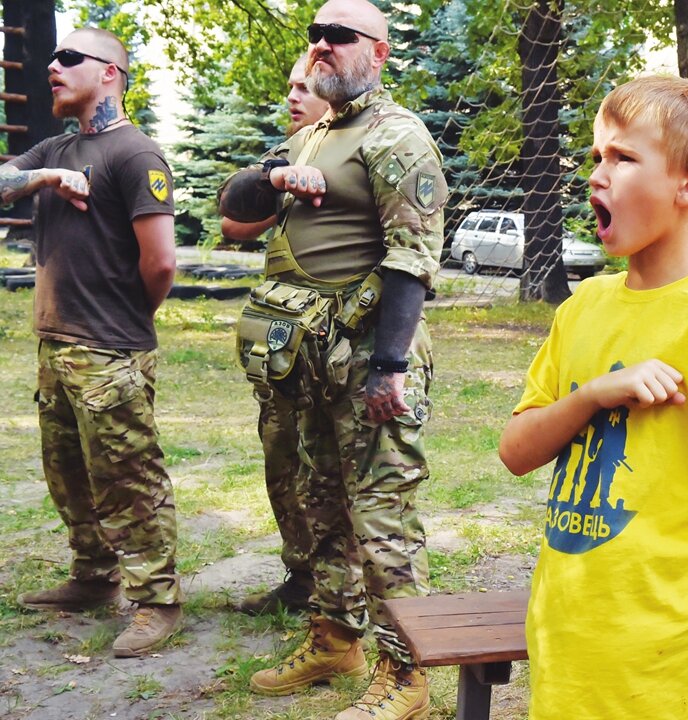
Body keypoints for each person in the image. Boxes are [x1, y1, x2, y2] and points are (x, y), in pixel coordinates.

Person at [498, 76, 688, 720]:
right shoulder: (584, 307)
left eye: (624, 158)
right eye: (597, 156)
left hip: (662, 650)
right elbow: (516, 451)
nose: (599, 175)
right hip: (566, 634)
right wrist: (593, 397)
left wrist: (670, 507)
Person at [218, 1, 448, 717]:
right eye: (314, 34)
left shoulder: (398, 135)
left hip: (369, 358)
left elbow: (412, 260)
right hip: (310, 358)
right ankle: (334, 637)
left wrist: (390, 370)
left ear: (377, 53)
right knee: (321, 508)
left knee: (381, 520)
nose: (321, 45)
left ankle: (406, 672)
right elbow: (233, 208)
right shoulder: (316, 133)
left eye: (338, 36)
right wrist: (275, 173)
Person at [2, 27, 181, 658]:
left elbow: (161, 263)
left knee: (128, 480)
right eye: (54, 57)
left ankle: (157, 601)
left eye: (69, 57)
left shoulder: (135, 155)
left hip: (110, 350)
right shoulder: (58, 147)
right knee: (69, 474)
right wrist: (46, 175)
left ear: (110, 73)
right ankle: (93, 577)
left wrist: (125, 320)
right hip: (57, 346)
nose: (53, 65)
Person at [220, 56, 330, 616]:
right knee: (281, 459)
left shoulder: (366, 150)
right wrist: (274, 181)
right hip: (282, 344)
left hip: (336, 342)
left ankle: (344, 593)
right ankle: (301, 576)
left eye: (304, 87)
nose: (293, 95)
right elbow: (232, 224)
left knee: (332, 470)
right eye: (288, 84)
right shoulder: (285, 154)